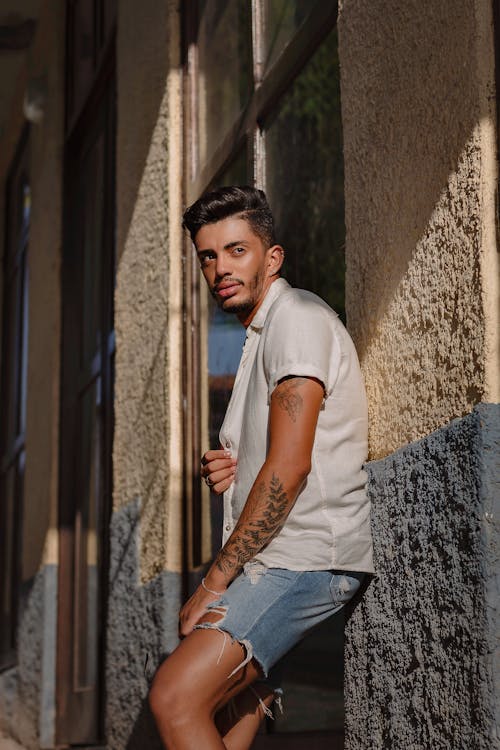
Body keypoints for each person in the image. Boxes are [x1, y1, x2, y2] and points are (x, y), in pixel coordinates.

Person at [149, 186, 374, 749]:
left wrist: (214, 581)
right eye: (208, 255)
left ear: (272, 257)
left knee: (175, 698)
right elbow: (287, 449)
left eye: (236, 250)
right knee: (223, 725)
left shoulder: (295, 317)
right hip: (276, 558)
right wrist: (238, 466)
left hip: (302, 559)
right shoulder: (261, 332)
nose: (220, 267)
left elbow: (290, 466)